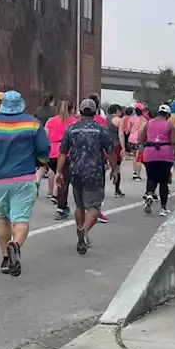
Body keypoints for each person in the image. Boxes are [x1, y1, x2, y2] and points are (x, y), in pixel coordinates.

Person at [0, 91, 49, 278]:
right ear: (21, 104)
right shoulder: (32, 123)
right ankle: (16, 244)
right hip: (23, 178)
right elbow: (44, 151)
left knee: (2, 218)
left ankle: (6, 257)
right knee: (20, 219)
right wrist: (40, 162)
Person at [58, 98, 115, 255]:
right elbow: (110, 152)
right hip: (94, 173)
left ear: (81, 111)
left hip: (75, 171)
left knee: (80, 206)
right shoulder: (101, 130)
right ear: (96, 111)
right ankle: (84, 231)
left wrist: (58, 172)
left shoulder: (71, 129)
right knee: (94, 208)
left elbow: (62, 153)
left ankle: (80, 229)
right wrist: (114, 170)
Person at [140, 104, 175, 216]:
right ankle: (163, 208)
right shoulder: (170, 125)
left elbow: (142, 139)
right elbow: (174, 141)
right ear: (167, 115)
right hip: (165, 155)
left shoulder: (148, 123)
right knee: (163, 181)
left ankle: (150, 193)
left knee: (151, 177)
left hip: (149, 153)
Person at [45, 99, 76, 219]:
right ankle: (60, 208)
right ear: (72, 109)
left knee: (60, 179)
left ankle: (63, 205)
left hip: (52, 153)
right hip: (66, 153)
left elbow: (45, 137)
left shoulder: (50, 121)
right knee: (64, 182)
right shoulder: (74, 122)